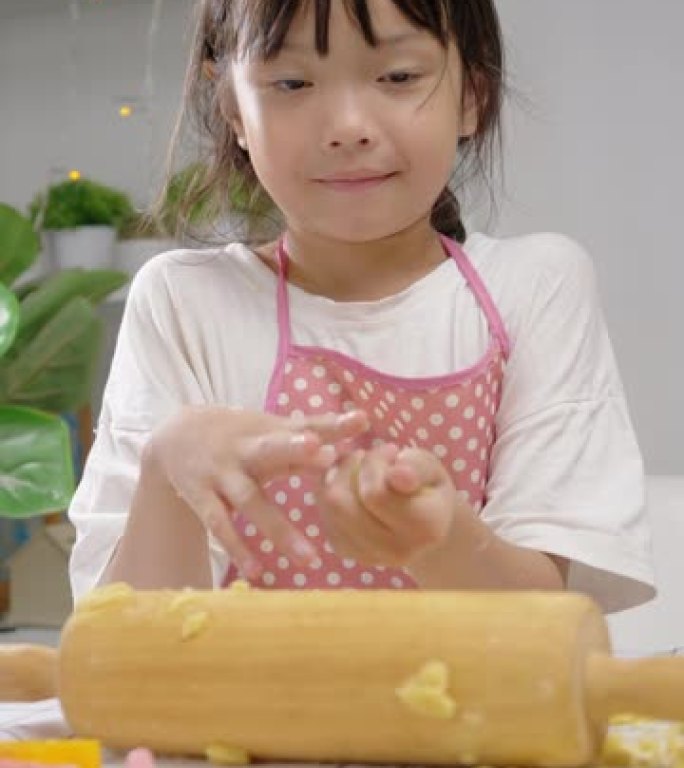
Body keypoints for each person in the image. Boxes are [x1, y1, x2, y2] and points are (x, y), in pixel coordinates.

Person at [68, 0, 655, 613]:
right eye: (292, 83)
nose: (348, 125)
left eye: (398, 77)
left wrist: (441, 538)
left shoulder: (535, 286)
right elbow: (131, 651)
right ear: (234, 111)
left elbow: (543, 622)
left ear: (472, 96)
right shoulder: (183, 303)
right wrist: (169, 466)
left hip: (480, 711)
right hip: (251, 711)